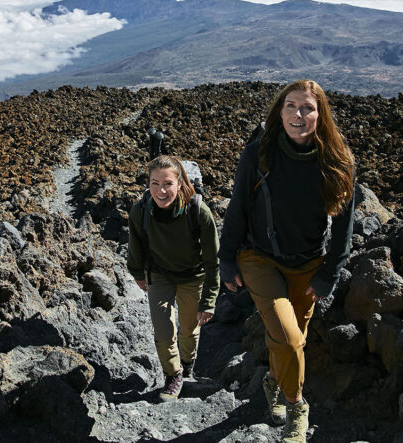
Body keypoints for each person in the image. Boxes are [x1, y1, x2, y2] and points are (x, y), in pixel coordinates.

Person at [219, 80, 356, 443]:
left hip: (309, 264)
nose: (298, 114)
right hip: (259, 257)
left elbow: (344, 227)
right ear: (279, 112)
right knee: (289, 337)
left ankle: (272, 382)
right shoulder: (258, 154)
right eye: (291, 106)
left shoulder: (338, 161)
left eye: (307, 108)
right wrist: (227, 260)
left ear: (320, 114)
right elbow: (237, 209)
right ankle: (298, 408)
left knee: (290, 341)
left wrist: (330, 273)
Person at [128, 155, 220, 401]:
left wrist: (209, 300)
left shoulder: (198, 211)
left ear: (180, 184)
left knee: (189, 330)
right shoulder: (141, 209)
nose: (161, 190)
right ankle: (173, 375)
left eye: (168, 183)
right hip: (159, 275)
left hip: (193, 276)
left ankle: (187, 364)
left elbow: (213, 260)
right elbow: (135, 243)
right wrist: (138, 273)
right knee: (163, 329)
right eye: (154, 183)